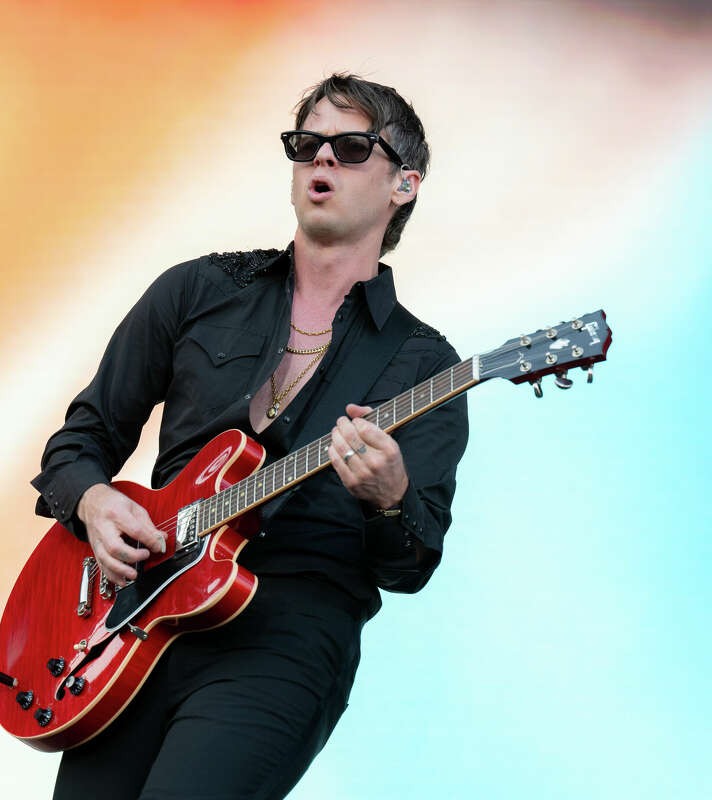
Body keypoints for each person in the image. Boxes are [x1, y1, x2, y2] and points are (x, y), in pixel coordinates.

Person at [31, 73, 469, 800]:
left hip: (284, 639)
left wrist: (388, 499)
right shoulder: (198, 290)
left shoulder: (424, 365)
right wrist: (97, 504)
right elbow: (80, 442)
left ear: (404, 183)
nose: (321, 161)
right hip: (139, 622)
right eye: (307, 145)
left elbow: (412, 562)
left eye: (352, 147)